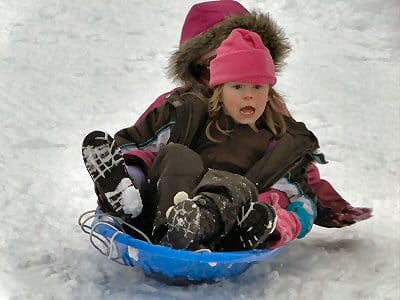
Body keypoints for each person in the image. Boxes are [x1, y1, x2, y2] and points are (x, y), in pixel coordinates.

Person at [135, 0, 372, 229]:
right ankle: (150, 214)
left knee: (260, 193)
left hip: (236, 203)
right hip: (170, 198)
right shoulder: (180, 105)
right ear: (197, 66)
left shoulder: (268, 108)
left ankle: (254, 224)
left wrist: (325, 203)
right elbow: (143, 143)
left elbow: (287, 161)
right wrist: (132, 176)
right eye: (217, 61)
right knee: (176, 159)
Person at [82, 28, 322, 251]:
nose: (249, 95)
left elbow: (303, 202)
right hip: (157, 217)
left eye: (258, 87)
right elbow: (140, 145)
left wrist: (275, 224)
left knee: (238, 186)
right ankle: (128, 199)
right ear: (219, 90)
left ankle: (192, 226)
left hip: (223, 233)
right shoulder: (192, 114)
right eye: (237, 86)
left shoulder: (280, 142)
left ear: (270, 93)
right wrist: (133, 172)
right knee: (176, 154)